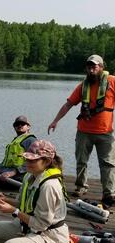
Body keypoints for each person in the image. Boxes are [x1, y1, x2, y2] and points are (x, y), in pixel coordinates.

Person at [47, 54, 115, 207]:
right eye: (89, 66)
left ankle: (108, 193)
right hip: (84, 131)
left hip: (105, 133)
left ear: (101, 67)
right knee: (81, 161)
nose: (91, 69)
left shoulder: (111, 82)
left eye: (95, 66)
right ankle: (80, 187)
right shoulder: (83, 86)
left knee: (108, 164)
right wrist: (55, 120)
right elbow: (68, 104)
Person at [0, 115, 37, 181]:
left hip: (21, 175)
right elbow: (7, 160)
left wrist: (13, 172)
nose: (19, 125)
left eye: (22, 124)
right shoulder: (14, 141)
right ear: (14, 127)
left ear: (28, 127)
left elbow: (34, 161)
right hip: (8, 172)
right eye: (17, 124)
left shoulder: (31, 140)